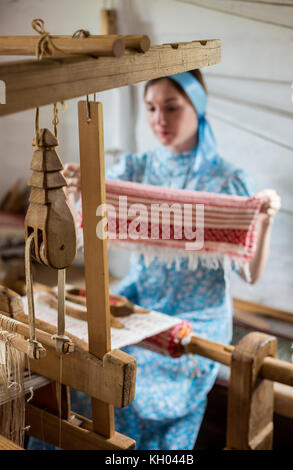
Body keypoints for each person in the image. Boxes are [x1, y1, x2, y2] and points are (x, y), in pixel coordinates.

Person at [63, 70, 281, 450]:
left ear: (198, 107)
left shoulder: (228, 182)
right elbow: (87, 211)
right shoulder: (136, 170)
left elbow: (250, 273)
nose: (158, 120)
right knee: (86, 373)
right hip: (137, 308)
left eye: (171, 107)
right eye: (150, 108)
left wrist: (265, 219)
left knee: (145, 395)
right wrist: (76, 185)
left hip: (196, 322)